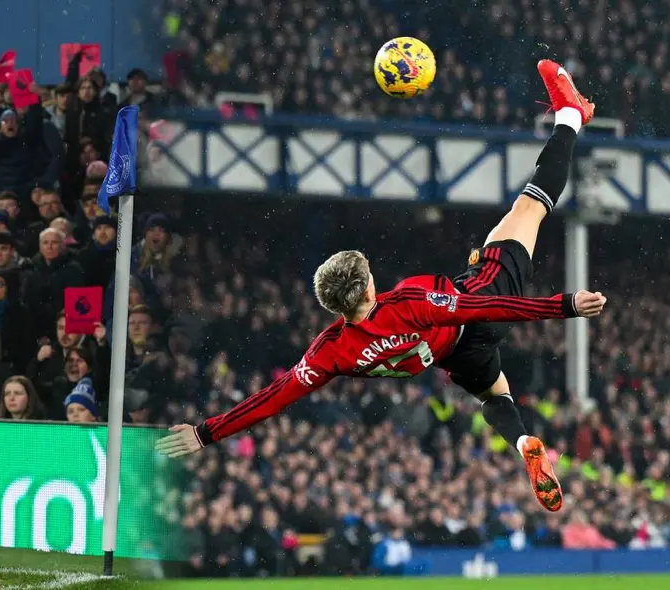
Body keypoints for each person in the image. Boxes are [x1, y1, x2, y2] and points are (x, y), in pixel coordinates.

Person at [156, 60, 605, 514]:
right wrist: (565, 305)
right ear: (369, 288)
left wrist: (205, 432)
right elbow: (482, 309)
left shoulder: (331, 351)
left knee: (495, 394)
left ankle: (523, 440)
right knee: (529, 208)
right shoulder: (407, 301)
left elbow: (272, 398)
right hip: (479, 309)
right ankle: (570, 114)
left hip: (454, 356)